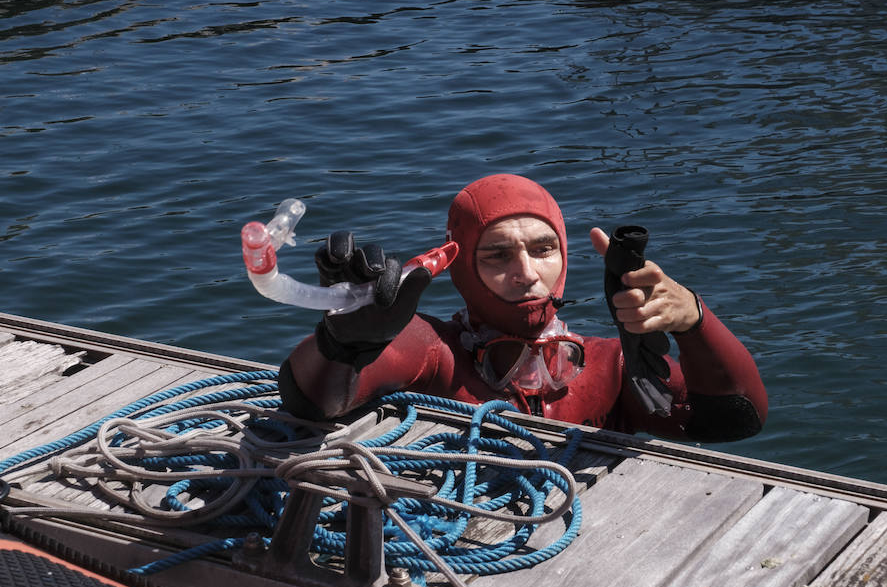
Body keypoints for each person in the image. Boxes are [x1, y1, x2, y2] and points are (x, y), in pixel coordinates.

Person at [279, 174, 766, 442]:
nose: (527, 273)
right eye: (497, 255)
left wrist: (695, 322)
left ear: (564, 255)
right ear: (461, 265)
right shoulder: (434, 352)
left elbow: (736, 420)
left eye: (543, 249)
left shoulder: (612, 367)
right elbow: (313, 402)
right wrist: (344, 346)